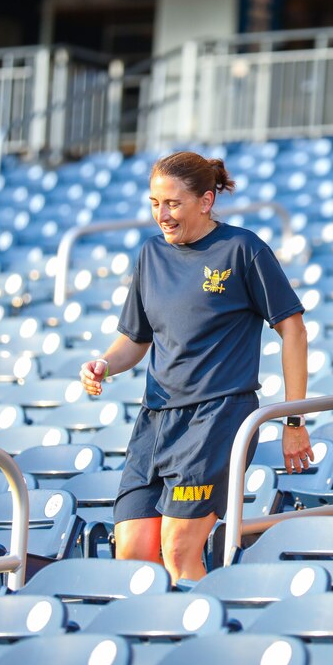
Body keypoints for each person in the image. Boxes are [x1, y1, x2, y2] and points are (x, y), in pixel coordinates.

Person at [79, 151, 312, 583]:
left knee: (180, 549)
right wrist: (103, 365)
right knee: (131, 557)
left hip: (216, 417)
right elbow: (135, 339)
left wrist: (293, 417)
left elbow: (293, 331)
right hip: (155, 422)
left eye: (173, 204)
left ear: (205, 201)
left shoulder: (243, 249)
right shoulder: (150, 254)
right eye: (154, 203)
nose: (162, 215)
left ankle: (197, 638)